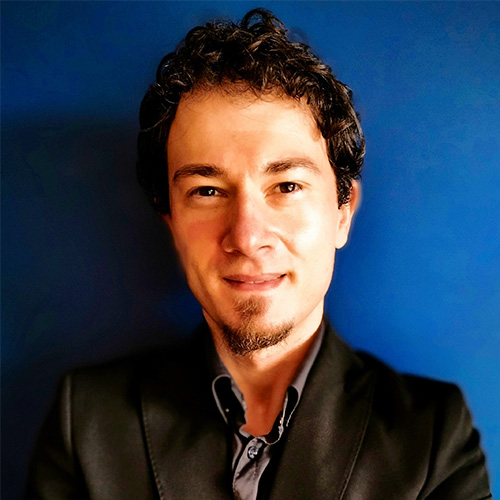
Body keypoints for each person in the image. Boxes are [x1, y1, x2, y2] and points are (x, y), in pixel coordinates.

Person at [25, 9, 491, 499]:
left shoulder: (435, 437)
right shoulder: (87, 421)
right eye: (207, 191)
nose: (247, 237)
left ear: (343, 212)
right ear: (171, 223)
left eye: (287, 185)